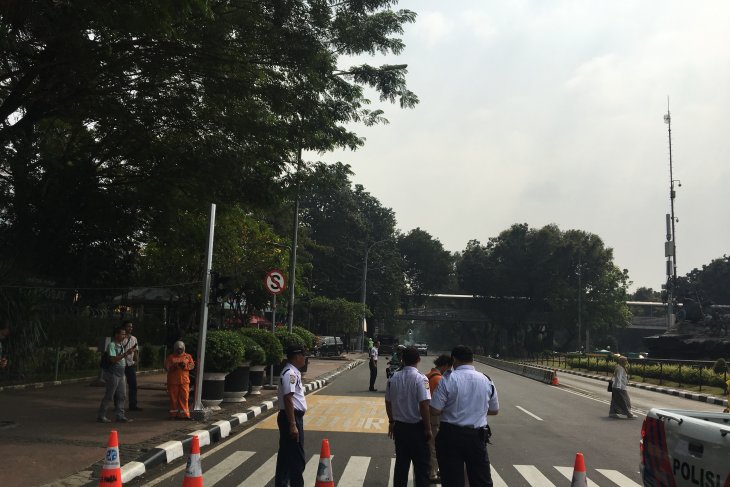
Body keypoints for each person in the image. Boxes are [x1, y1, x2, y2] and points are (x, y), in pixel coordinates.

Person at [430, 345, 499, 487]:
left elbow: (435, 410)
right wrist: (475, 410)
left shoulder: (448, 379)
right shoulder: (486, 380)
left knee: (452, 480)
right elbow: (494, 410)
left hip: (450, 436)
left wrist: (453, 409)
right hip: (476, 438)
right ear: (472, 359)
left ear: (454, 359)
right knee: (481, 480)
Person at [385, 346, 432, 487]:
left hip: (400, 427)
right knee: (422, 466)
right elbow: (424, 405)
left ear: (402, 360)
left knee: (401, 464)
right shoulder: (422, 379)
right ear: (419, 359)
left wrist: (391, 421)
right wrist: (428, 428)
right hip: (417, 428)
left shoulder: (393, 378)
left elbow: (388, 402)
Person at [275, 344, 308, 487]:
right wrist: (293, 424)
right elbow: (288, 398)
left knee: (286, 457)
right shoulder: (290, 374)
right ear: (296, 356)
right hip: (292, 417)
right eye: (303, 355)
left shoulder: (292, 371)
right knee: (296, 459)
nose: (305, 358)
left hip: (290, 417)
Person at [97, 326, 137, 423]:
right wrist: (126, 353)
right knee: (109, 395)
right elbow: (113, 359)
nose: (124, 336)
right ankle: (101, 415)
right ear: (116, 335)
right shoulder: (112, 345)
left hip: (121, 373)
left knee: (122, 395)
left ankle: (120, 415)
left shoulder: (121, 345)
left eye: (124, 334)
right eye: (122, 334)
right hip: (113, 373)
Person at [426, 354, 453, 483]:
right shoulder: (439, 380)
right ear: (445, 366)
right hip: (435, 417)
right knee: (434, 447)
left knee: (431, 445)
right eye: (449, 367)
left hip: (426, 415)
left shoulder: (427, 375)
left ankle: (431, 470)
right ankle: (432, 474)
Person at [164, 340, 195, 420]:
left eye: (181, 348)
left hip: (184, 381)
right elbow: (167, 368)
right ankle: (173, 415)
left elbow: (192, 366)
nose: (179, 350)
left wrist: (184, 366)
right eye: (178, 348)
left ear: (183, 348)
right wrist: (174, 366)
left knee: (184, 398)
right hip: (173, 382)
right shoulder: (170, 357)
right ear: (175, 348)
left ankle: (184, 415)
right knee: (173, 398)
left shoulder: (188, 357)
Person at [122, 321, 142, 411]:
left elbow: (136, 351)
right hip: (121, 364)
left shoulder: (134, 338)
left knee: (133, 385)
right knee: (119, 386)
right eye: (128, 326)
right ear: (124, 327)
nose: (130, 328)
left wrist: (136, 361)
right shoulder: (121, 338)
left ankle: (133, 405)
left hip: (130, 365)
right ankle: (118, 406)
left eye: (131, 327)